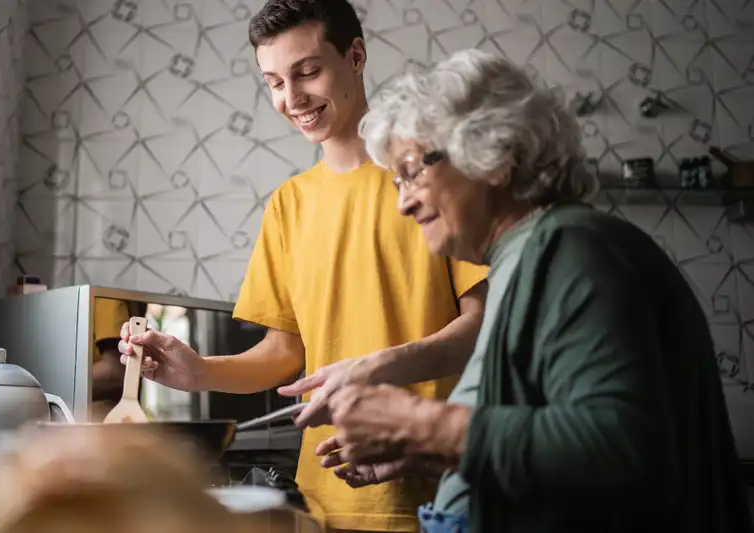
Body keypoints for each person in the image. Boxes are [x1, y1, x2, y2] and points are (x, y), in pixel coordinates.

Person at [313, 49, 754, 533]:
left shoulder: (573, 247)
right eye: (397, 180)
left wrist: (421, 426)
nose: (403, 203)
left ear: (494, 154)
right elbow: (543, 449)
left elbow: (621, 448)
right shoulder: (526, 258)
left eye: (414, 170)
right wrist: (428, 453)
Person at [118, 1, 489, 531]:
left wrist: (377, 366)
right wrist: (198, 372)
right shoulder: (288, 205)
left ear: (355, 56)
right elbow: (285, 354)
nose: (291, 99)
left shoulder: (431, 177)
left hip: (437, 494)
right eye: (274, 82)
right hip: (323, 499)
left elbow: (483, 326)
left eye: (307, 71)